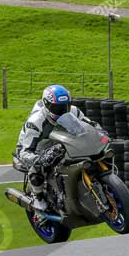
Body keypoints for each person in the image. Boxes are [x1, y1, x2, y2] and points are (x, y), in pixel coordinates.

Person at [14, 84, 101, 214]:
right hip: (35, 148)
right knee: (38, 168)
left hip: (60, 141)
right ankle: (37, 197)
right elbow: (23, 151)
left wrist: (99, 131)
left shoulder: (73, 111)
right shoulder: (36, 122)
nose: (62, 111)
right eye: (57, 108)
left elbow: (90, 124)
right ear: (47, 105)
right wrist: (38, 159)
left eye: (65, 106)